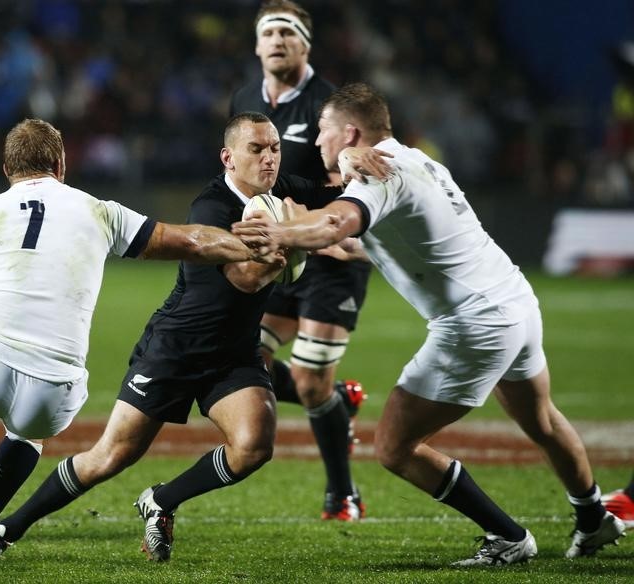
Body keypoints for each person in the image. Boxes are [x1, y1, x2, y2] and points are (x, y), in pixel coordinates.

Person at [0, 118, 280, 569]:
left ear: (7, 167)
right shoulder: (100, 210)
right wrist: (255, 245)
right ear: (62, 164)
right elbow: (192, 241)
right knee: (27, 433)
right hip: (57, 386)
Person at [233, 83, 627, 566]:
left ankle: (507, 537)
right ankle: (593, 520)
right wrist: (321, 228)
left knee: (395, 447)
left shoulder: (380, 175)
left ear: (350, 131)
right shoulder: (419, 161)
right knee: (541, 419)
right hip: (516, 303)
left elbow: (337, 224)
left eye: (323, 132)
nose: (316, 143)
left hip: (474, 323)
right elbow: (382, 236)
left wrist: (279, 231)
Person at [0, 112, 384, 563]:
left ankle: (162, 500)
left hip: (234, 354)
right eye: (256, 149)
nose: (269, 158)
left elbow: (346, 200)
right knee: (110, 456)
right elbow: (245, 280)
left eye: (274, 148)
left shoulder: (284, 190)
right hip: (174, 349)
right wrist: (297, 244)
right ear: (228, 158)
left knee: (254, 446)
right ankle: (5, 528)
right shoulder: (210, 207)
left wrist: (354, 160)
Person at [230, 0, 371, 521]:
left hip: (332, 255)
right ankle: (339, 400)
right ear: (257, 44)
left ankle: (343, 495)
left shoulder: (327, 104)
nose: (277, 41)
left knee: (311, 382)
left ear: (305, 45)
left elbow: (349, 176)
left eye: (287, 33)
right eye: (268, 32)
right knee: (247, 355)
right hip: (279, 253)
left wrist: (317, 223)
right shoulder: (246, 99)